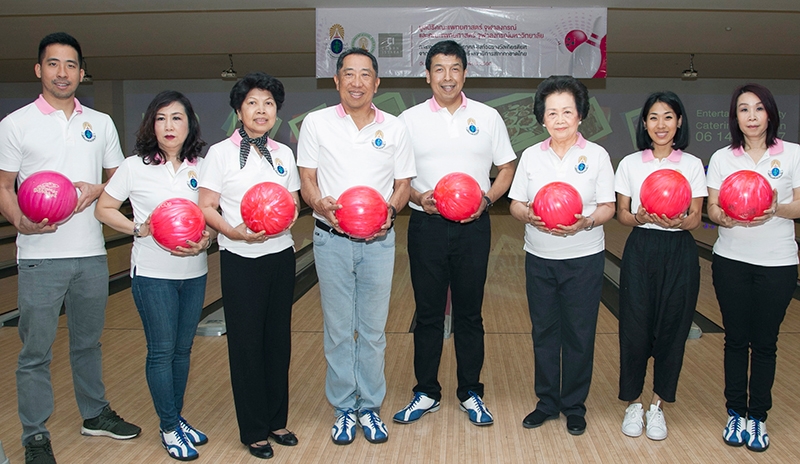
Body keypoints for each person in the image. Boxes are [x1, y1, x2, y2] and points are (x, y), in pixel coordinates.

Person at [0, 32, 141, 464]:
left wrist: (94, 188)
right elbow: (4, 186)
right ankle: (35, 435)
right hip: (40, 256)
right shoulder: (16, 124)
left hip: (91, 253)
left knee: (87, 343)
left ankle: (94, 414)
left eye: (71, 65)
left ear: (81, 72)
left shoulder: (100, 123)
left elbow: (118, 179)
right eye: (53, 63)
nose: (62, 72)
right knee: (35, 353)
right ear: (39, 70)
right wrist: (19, 221)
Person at [392, 40, 516, 427]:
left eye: (455, 69)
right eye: (439, 69)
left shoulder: (488, 117)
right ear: (427, 75)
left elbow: (507, 168)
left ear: (465, 73)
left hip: (474, 226)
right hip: (425, 225)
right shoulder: (407, 120)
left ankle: (471, 392)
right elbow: (397, 176)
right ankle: (426, 392)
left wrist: (487, 199)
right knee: (428, 313)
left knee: (470, 314)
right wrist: (417, 197)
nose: (447, 77)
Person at [297, 48, 415, 445]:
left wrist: (390, 212)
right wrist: (319, 204)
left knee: (373, 331)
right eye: (349, 73)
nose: (357, 82)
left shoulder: (395, 128)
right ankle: (345, 408)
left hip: (379, 242)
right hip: (330, 239)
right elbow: (307, 179)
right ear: (337, 80)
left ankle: (370, 407)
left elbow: (403, 184)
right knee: (338, 330)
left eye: (365, 74)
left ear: (376, 83)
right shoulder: (316, 123)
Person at [95, 90, 211, 460]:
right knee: (162, 351)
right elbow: (104, 208)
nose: (168, 126)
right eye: (161, 118)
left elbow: (212, 215)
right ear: (151, 124)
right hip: (152, 273)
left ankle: (175, 417)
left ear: (189, 124)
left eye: (177, 118)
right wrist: (137, 228)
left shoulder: (202, 166)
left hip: (194, 272)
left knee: (183, 350)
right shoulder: (134, 166)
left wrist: (207, 237)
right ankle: (169, 426)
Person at [198, 72, 300, 460]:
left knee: (278, 342)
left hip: (281, 256)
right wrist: (234, 232)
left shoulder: (284, 153)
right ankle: (254, 429)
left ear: (276, 111)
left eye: (268, 103)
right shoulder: (220, 154)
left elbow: (292, 202)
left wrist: (287, 217)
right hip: (240, 259)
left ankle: (276, 420)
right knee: (246, 345)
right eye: (252, 103)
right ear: (239, 111)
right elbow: (207, 206)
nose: (261, 110)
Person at [508, 75, 615, 436]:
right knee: (544, 332)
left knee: (579, 334)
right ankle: (547, 402)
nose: (560, 119)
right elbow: (516, 204)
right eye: (552, 112)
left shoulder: (596, 155)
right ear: (542, 118)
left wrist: (586, 222)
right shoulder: (531, 156)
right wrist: (529, 215)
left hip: (584, 257)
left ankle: (574, 405)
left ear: (580, 114)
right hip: (539, 257)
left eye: (567, 111)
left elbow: (607, 206)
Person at [706, 83, 799, 453]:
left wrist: (774, 208)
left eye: (759, 108)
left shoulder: (793, 154)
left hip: (777, 261)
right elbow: (712, 208)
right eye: (744, 109)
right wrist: (723, 218)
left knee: (764, 342)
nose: (752, 116)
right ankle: (735, 413)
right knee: (734, 339)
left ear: (770, 113)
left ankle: (757, 416)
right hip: (731, 259)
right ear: (735, 117)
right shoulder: (722, 158)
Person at [614, 91, 707, 441]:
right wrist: (638, 217)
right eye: (653, 117)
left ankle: (658, 406)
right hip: (641, 247)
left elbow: (695, 218)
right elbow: (623, 214)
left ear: (679, 122)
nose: (661, 124)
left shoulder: (692, 165)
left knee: (673, 329)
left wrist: (680, 222)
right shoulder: (630, 163)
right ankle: (633, 403)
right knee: (635, 329)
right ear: (644, 123)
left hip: (679, 249)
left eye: (668, 116)